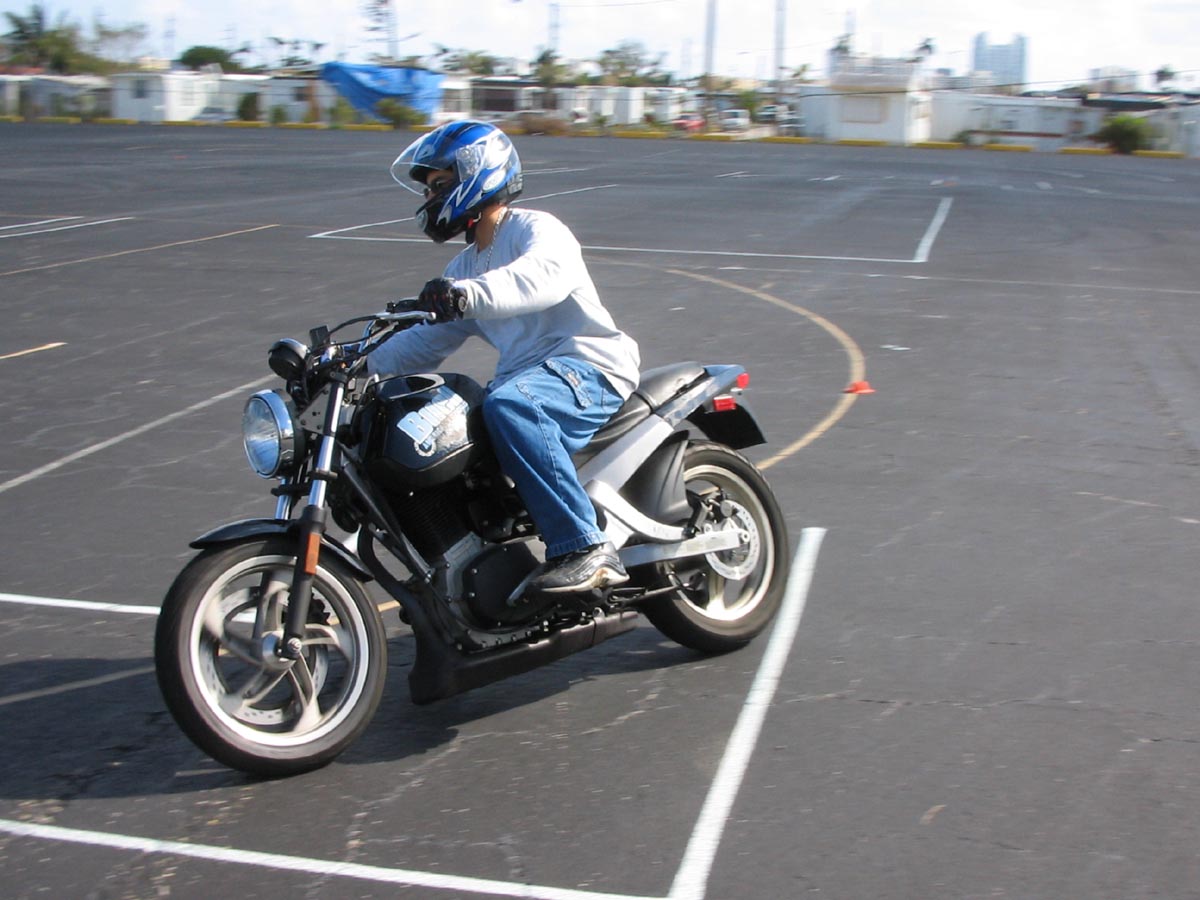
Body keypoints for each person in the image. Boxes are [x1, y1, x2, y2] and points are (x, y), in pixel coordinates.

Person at [369, 120, 641, 597]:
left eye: (440, 184)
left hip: (589, 367)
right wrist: (355, 363)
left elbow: (539, 279)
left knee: (511, 405)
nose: (430, 198)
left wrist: (464, 296)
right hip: (532, 377)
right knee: (447, 427)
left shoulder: (536, 229)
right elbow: (425, 341)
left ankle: (585, 546)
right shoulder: (464, 266)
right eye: (429, 189)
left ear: (478, 174)